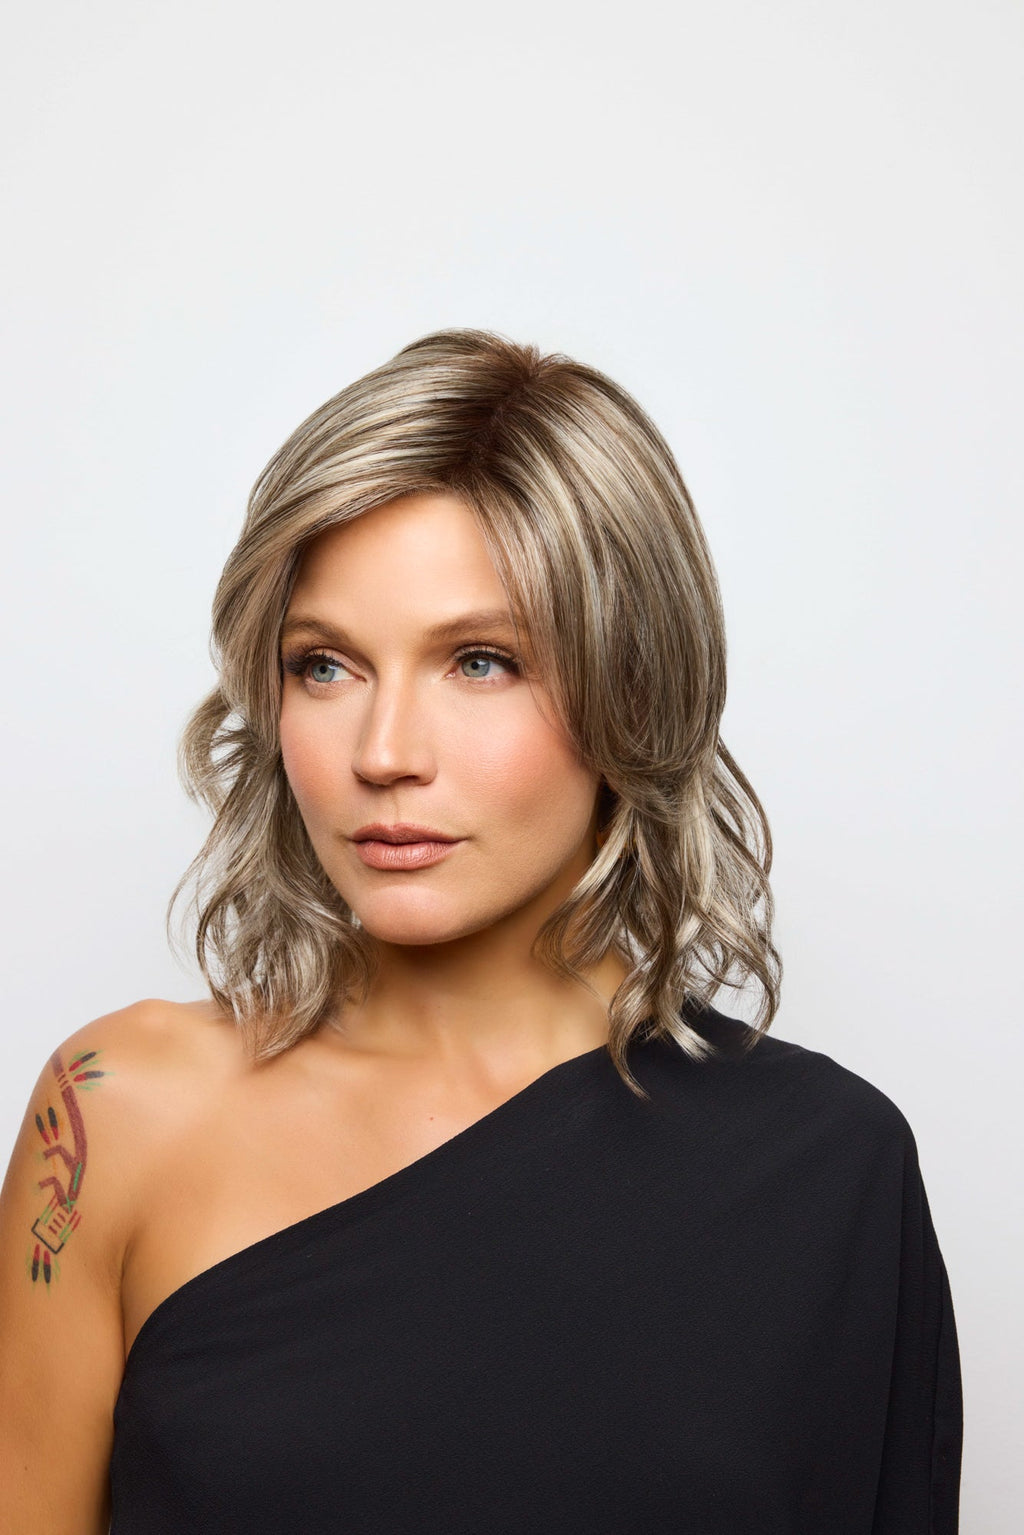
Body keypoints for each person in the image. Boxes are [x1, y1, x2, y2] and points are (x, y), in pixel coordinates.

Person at [0, 329, 962, 1532]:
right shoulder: (117, 1111)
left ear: (632, 682)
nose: (384, 752)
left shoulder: (828, 1167)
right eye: (325, 665)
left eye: (480, 661)